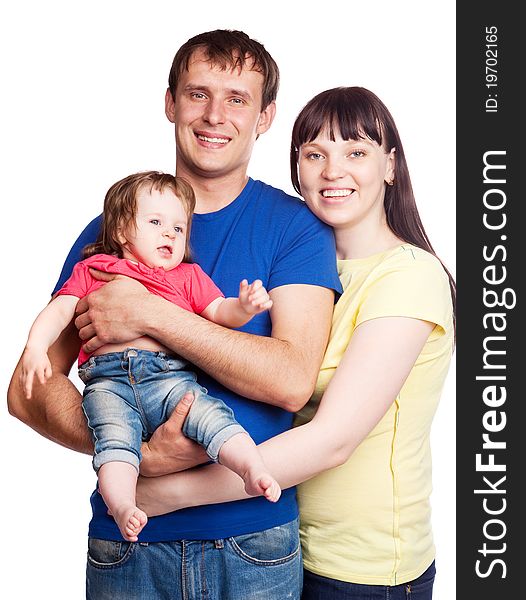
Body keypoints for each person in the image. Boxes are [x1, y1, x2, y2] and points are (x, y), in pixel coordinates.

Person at [7, 30, 341, 599]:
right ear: (170, 103)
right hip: (128, 543)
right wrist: (129, 450)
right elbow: (27, 391)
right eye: (198, 93)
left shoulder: (295, 227)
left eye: (238, 98)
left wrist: (151, 314)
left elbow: (289, 382)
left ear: (265, 117)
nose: (216, 115)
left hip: (253, 544)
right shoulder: (107, 235)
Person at [133, 87, 456, 600]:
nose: (333, 171)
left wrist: (166, 493)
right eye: (314, 154)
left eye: (356, 152)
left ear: (390, 166)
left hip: (364, 571)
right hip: (287, 547)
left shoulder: (410, 277)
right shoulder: (305, 269)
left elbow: (332, 440)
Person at [21, 170, 283, 542]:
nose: (169, 234)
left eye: (178, 228)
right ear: (122, 232)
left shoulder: (187, 276)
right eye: (156, 222)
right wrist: (35, 345)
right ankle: (125, 504)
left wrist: (243, 307)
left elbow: (218, 312)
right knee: (114, 442)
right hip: (108, 384)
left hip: (169, 379)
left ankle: (252, 469)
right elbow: (61, 309)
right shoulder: (95, 269)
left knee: (211, 416)